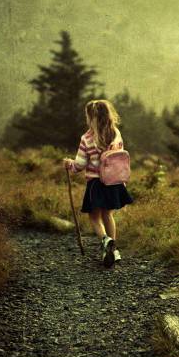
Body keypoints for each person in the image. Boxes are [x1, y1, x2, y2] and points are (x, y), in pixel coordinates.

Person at [63, 99, 134, 268]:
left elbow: (79, 165)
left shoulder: (87, 138)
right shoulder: (115, 133)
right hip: (114, 182)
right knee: (108, 215)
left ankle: (105, 240)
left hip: (96, 184)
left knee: (94, 217)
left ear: (91, 117)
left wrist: (69, 164)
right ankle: (113, 249)